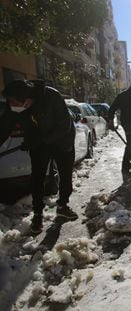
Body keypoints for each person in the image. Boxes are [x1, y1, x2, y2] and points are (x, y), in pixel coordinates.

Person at [0, 80, 78, 234]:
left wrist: (40, 140)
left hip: (62, 140)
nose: (11, 104)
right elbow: (4, 127)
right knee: (37, 177)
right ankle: (37, 214)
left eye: (14, 101)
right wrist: (33, 141)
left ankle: (63, 206)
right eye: (9, 101)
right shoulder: (15, 106)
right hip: (38, 143)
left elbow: (64, 125)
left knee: (65, 174)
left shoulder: (51, 96)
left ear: (27, 98)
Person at [107, 78, 131, 173]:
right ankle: (127, 166)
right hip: (126, 123)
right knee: (130, 143)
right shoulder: (123, 96)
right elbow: (112, 108)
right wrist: (110, 119)